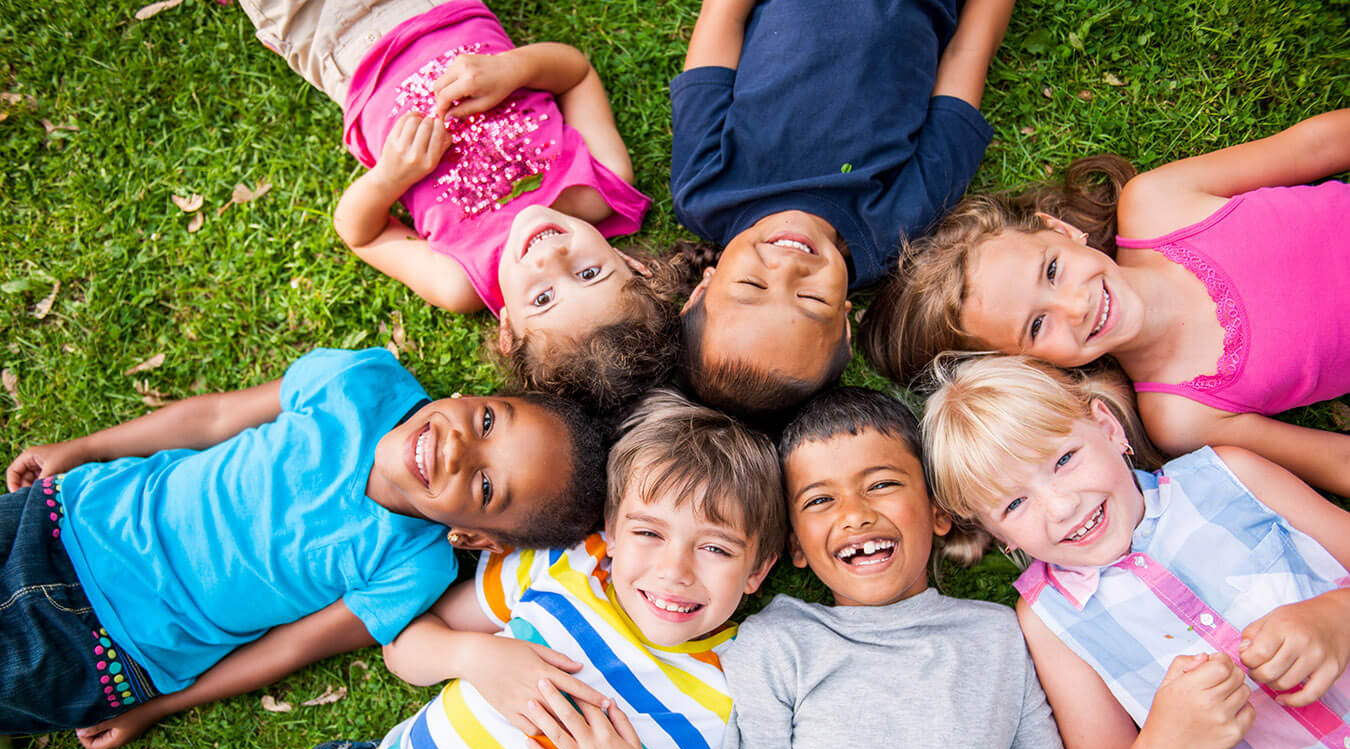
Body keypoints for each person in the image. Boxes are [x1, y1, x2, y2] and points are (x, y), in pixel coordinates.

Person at [73, 388, 789, 749]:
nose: (674, 570)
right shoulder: (561, 576)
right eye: (649, 533)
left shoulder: (720, 711)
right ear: (610, 526)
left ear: (758, 571)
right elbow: (402, 643)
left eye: (717, 550)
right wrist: (472, 656)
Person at [2, 347, 606, 749]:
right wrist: (85, 448)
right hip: (71, 513)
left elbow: (290, 646)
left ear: (474, 538)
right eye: (488, 423)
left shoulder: (413, 569)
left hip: (105, 648)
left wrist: (160, 706)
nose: (456, 449)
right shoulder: (363, 382)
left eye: (485, 485)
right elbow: (215, 417)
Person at [922, 354, 1350, 749]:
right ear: (998, 535)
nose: (1060, 506)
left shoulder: (1228, 476)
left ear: (1107, 427)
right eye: (1013, 503)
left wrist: (1335, 616)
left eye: (1064, 459)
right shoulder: (1050, 622)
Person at [709, 386, 1105, 749]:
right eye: (821, 500)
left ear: (938, 512)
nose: (854, 514)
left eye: (880, 485)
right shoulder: (780, 644)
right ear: (795, 545)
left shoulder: (997, 639)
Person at [865, 108, 1350, 495]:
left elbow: (1318, 145)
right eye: (1036, 326)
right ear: (1033, 369)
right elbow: (1334, 460)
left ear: (1062, 231)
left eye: (1052, 270)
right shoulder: (1180, 415)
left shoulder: (1157, 202)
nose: (1075, 307)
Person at [240, 0, 681, 412]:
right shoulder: (602, 184)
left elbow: (361, 232)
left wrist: (390, 177)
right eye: (589, 273)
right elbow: (577, 72)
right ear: (633, 265)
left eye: (543, 298)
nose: (551, 257)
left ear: (508, 330)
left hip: (343, 48)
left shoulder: (460, 281)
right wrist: (513, 69)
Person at [668, 0, 1014, 418]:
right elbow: (967, 56)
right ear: (844, 326)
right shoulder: (898, 226)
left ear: (701, 290)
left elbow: (722, 21)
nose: (788, 268)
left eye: (752, 287)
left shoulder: (705, 187)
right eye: (811, 299)